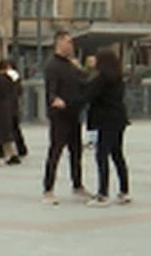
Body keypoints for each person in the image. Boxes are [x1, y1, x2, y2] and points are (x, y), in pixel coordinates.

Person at [42, 31, 88, 204]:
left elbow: (84, 82)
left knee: (76, 151)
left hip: (73, 112)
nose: (71, 46)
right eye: (68, 42)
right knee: (55, 150)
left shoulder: (71, 64)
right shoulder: (52, 65)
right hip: (59, 115)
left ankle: (77, 185)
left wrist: (79, 68)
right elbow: (50, 88)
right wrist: (54, 99)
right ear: (59, 43)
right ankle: (48, 188)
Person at [84, 50, 131, 206]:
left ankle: (103, 193)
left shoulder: (102, 78)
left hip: (106, 120)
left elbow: (88, 93)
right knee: (117, 154)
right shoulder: (117, 78)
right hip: (119, 119)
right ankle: (124, 191)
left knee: (102, 155)